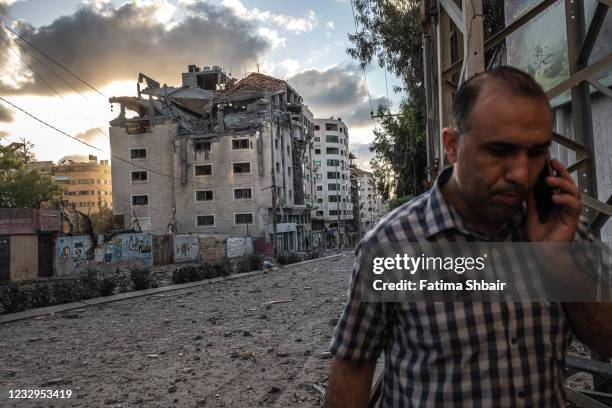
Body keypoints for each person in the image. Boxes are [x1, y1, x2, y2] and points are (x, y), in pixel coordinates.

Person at [325, 66, 612, 407]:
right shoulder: (393, 245)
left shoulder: (559, 231)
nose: (520, 174)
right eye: (499, 151)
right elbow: (353, 368)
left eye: (536, 153)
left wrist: (557, 262)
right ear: (452, 145)